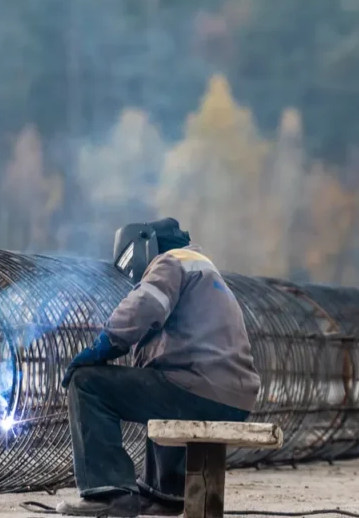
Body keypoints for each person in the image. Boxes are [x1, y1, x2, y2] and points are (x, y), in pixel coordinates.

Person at [56, 218, 261, 517]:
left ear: (145, 243)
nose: (130, 270)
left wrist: (104, 345)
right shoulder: (204, 269)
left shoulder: (171, 261)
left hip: (200, 389)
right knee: (160, 381)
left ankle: (110, 493)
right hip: (233, 398)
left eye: (129, 258)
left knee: (87, 383)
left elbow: (146, 306)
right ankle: (163, 495)